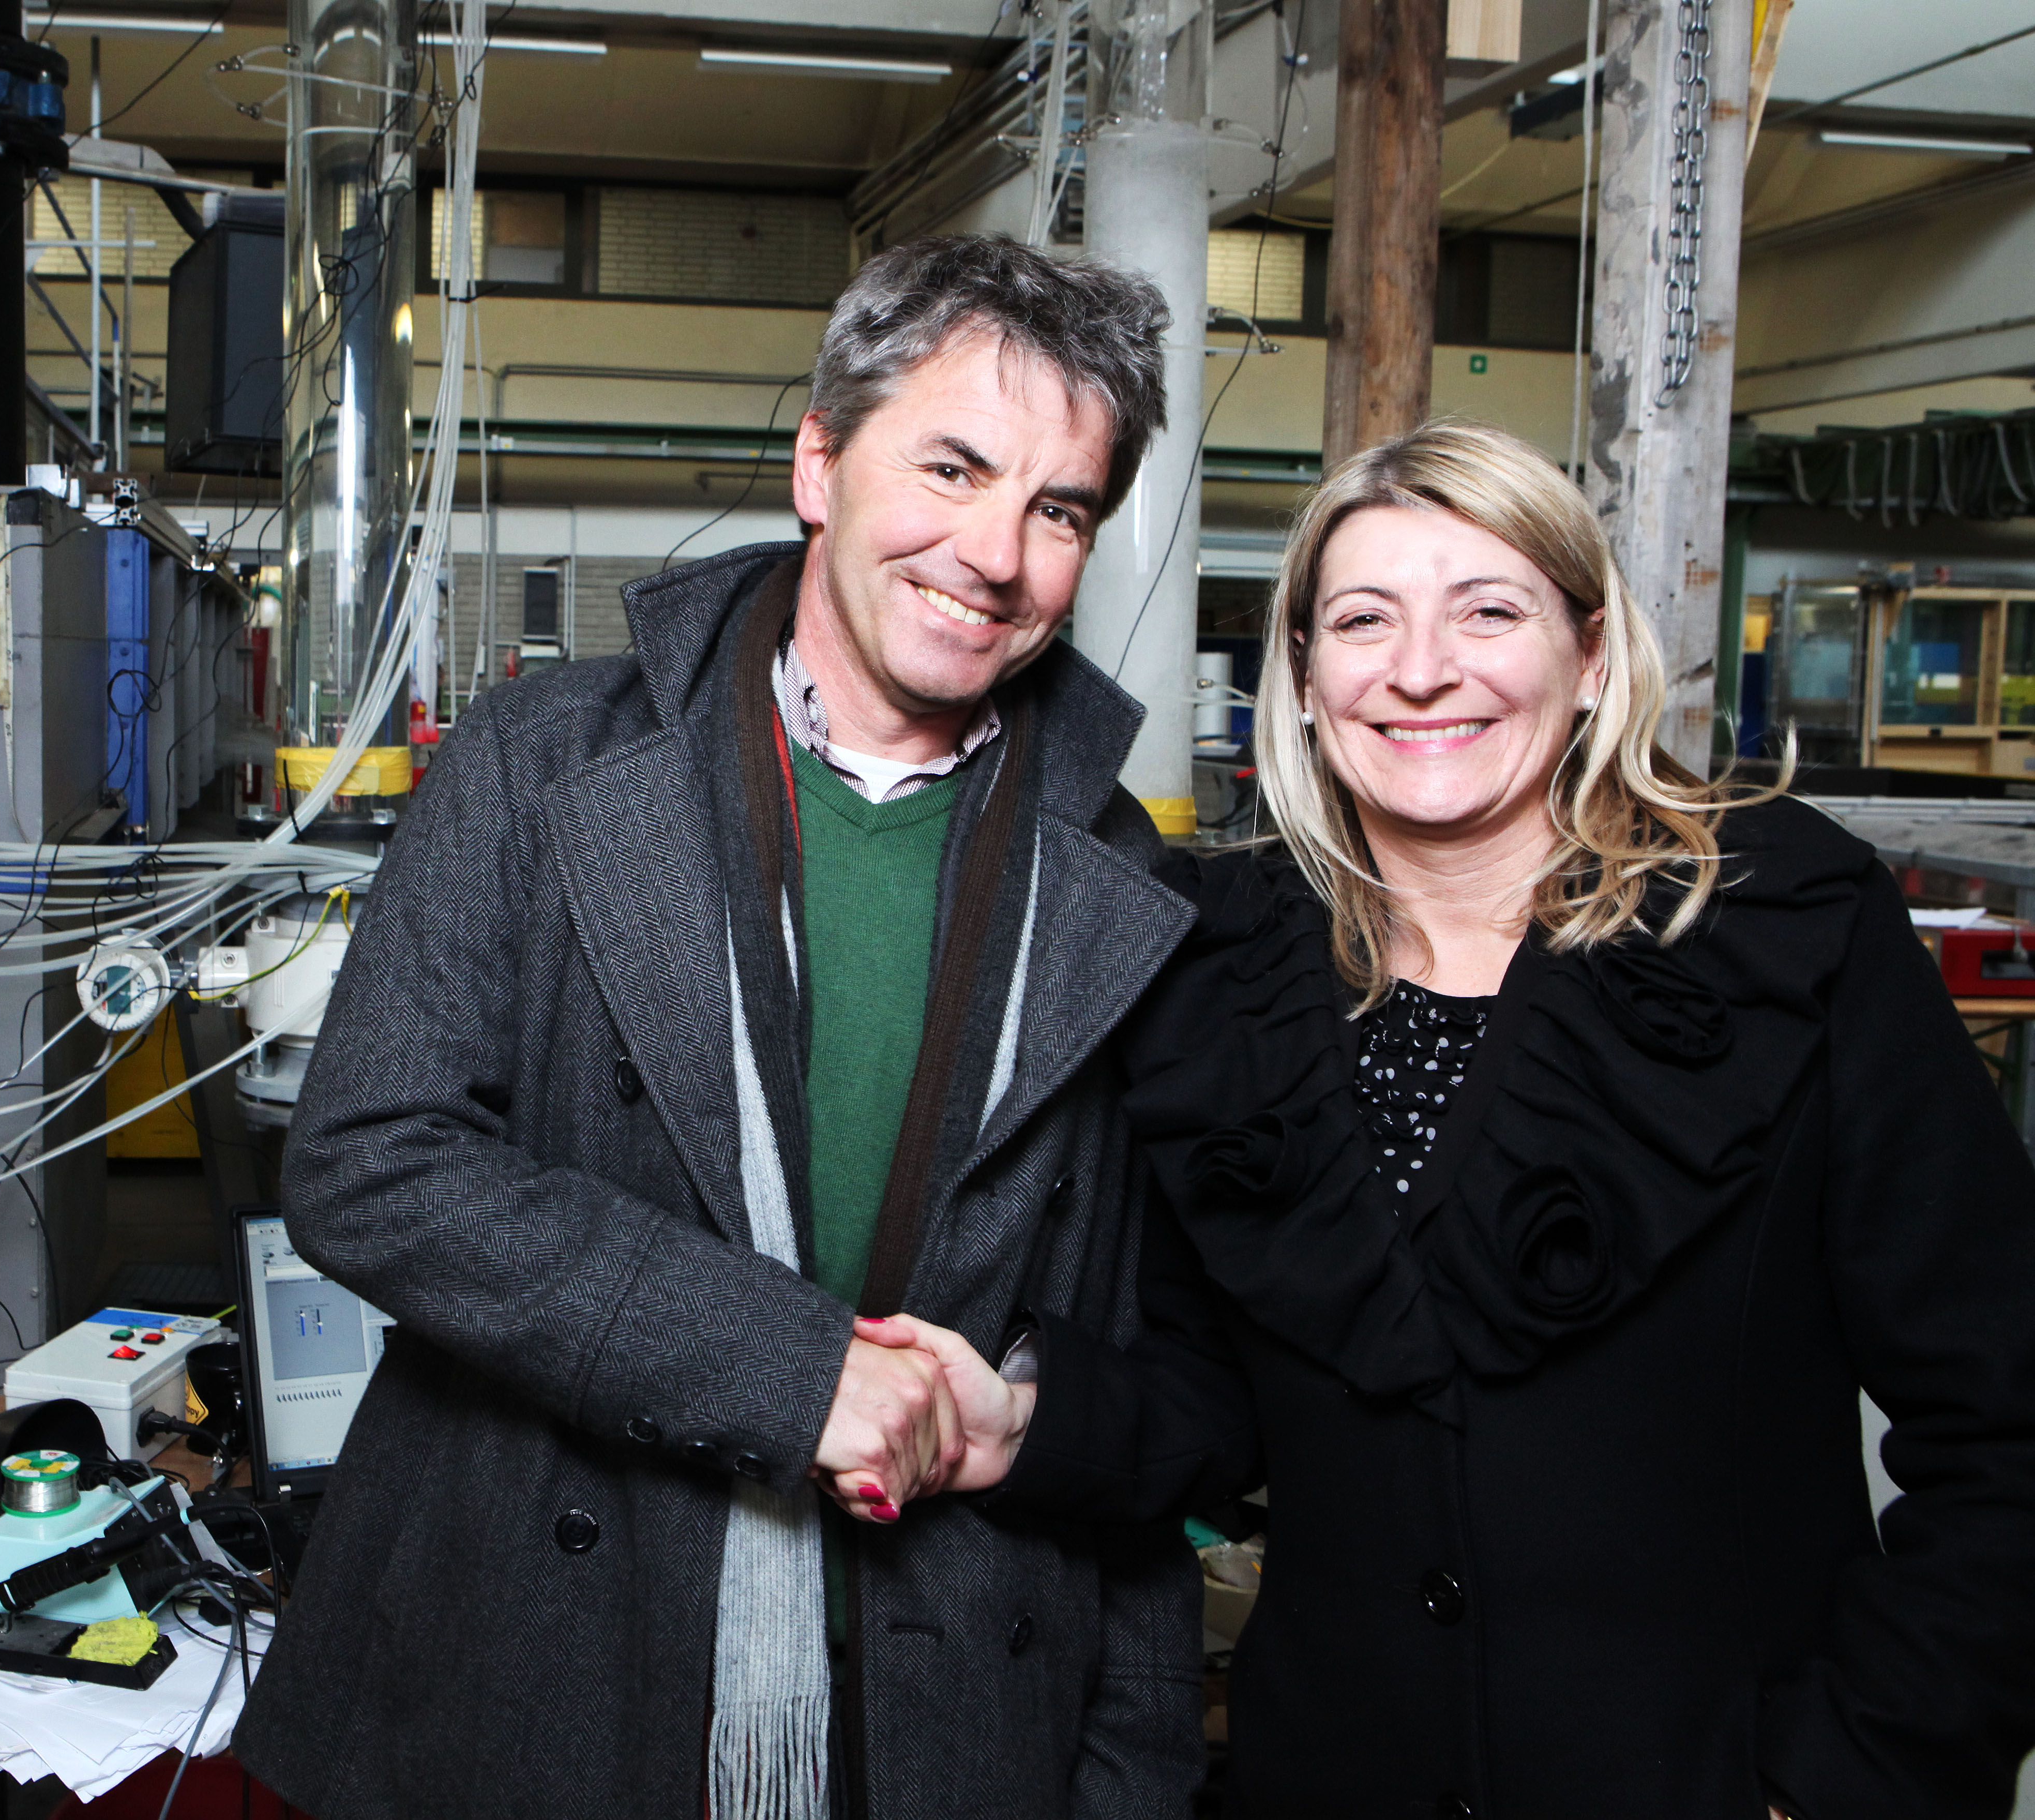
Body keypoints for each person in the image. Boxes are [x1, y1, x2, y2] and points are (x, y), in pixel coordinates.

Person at [870, 419, 2035, 1820]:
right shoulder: (1220, 970)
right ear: (1305, 676)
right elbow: (1225, 1400)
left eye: (1490, 611)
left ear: (1590, 654)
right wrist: (1017, 1422)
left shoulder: (1779, 927)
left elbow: (2006, 1424)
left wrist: (1843, 1779)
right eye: (1366, 620)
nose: (1422, 669)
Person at [231, 236, 1207, 1820]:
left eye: (1060, 510)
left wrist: (1131, 1775)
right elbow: (368, 1160)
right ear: (821, 461)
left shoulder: (1118, 870)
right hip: (549, 1672)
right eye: (952, 468)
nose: (995, 555)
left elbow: (1130, 1371)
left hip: (948, 1714)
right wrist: (785, 1367)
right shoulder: (546, 762)